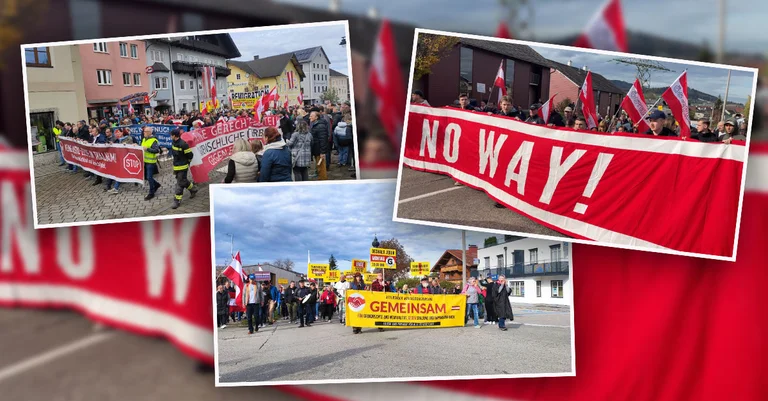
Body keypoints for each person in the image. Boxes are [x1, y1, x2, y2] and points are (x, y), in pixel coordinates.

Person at [169, 128, 197, 209]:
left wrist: (186, 162)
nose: (170, 136)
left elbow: (190, 155)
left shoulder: (183, 144)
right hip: (176, 166)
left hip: (183, 167)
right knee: (183, 181)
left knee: (179, 184)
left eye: (171, 135)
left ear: (174, 136)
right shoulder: (173, 142)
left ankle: (177, 200)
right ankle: (193, 189)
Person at [141, 126, 162, 200]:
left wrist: (147, 149)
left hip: (151, 162)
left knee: (149, 177)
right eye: (144, 131)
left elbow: (156, 150)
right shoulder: (144, 139)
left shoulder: (154, 140)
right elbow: (142, 148)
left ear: (150, 133)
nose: (144, 133)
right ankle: (156, 185)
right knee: (147, 177)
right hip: (145, 161)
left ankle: (151, 193)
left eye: (145, 132)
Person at [309, 111, 329, 180]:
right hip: (316, 148)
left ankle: (323, 179)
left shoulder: (320, 126)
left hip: (319, 149)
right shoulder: (314, 124)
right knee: (319, 165)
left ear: (316, 117)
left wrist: (322, 152)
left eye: (311, 116)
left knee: (321, 166)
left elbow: (323, 140)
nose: (310, 117)